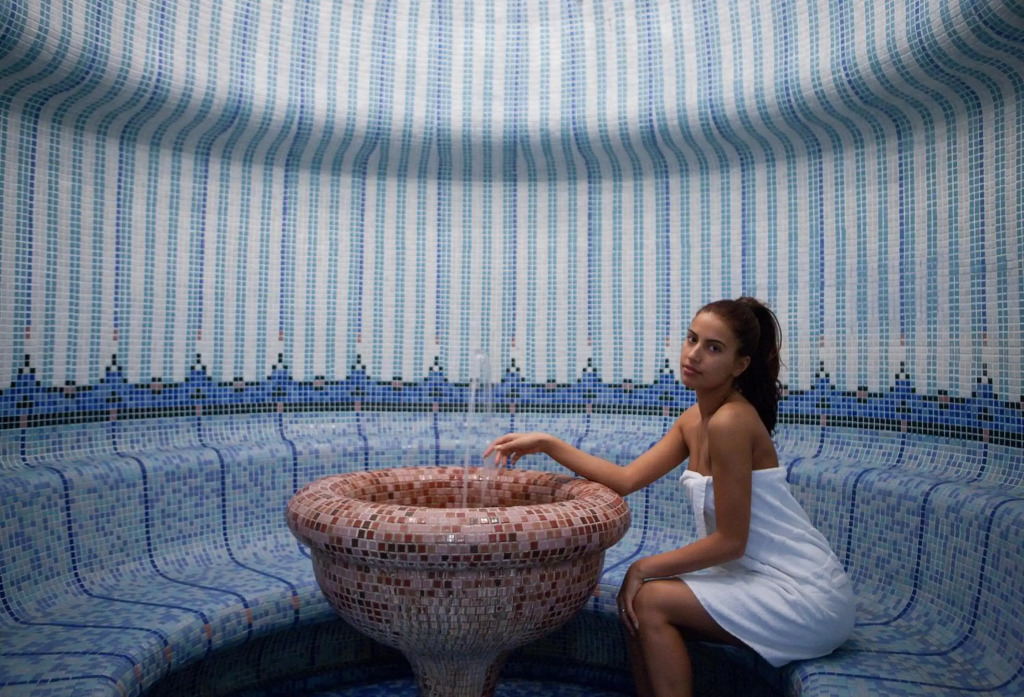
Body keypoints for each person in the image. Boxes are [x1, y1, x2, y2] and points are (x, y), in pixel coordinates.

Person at [483, 297, 855, 697]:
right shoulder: (695, 420)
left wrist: (642, 567)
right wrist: (547, 443)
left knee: (650, 599)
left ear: (740, 365)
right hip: (756, 578)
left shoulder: (731, 422)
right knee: (638, 603)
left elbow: (731, 542)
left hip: (803, 595)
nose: (694, 354)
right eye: (692, 339)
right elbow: (626, 479)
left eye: (714, 348)